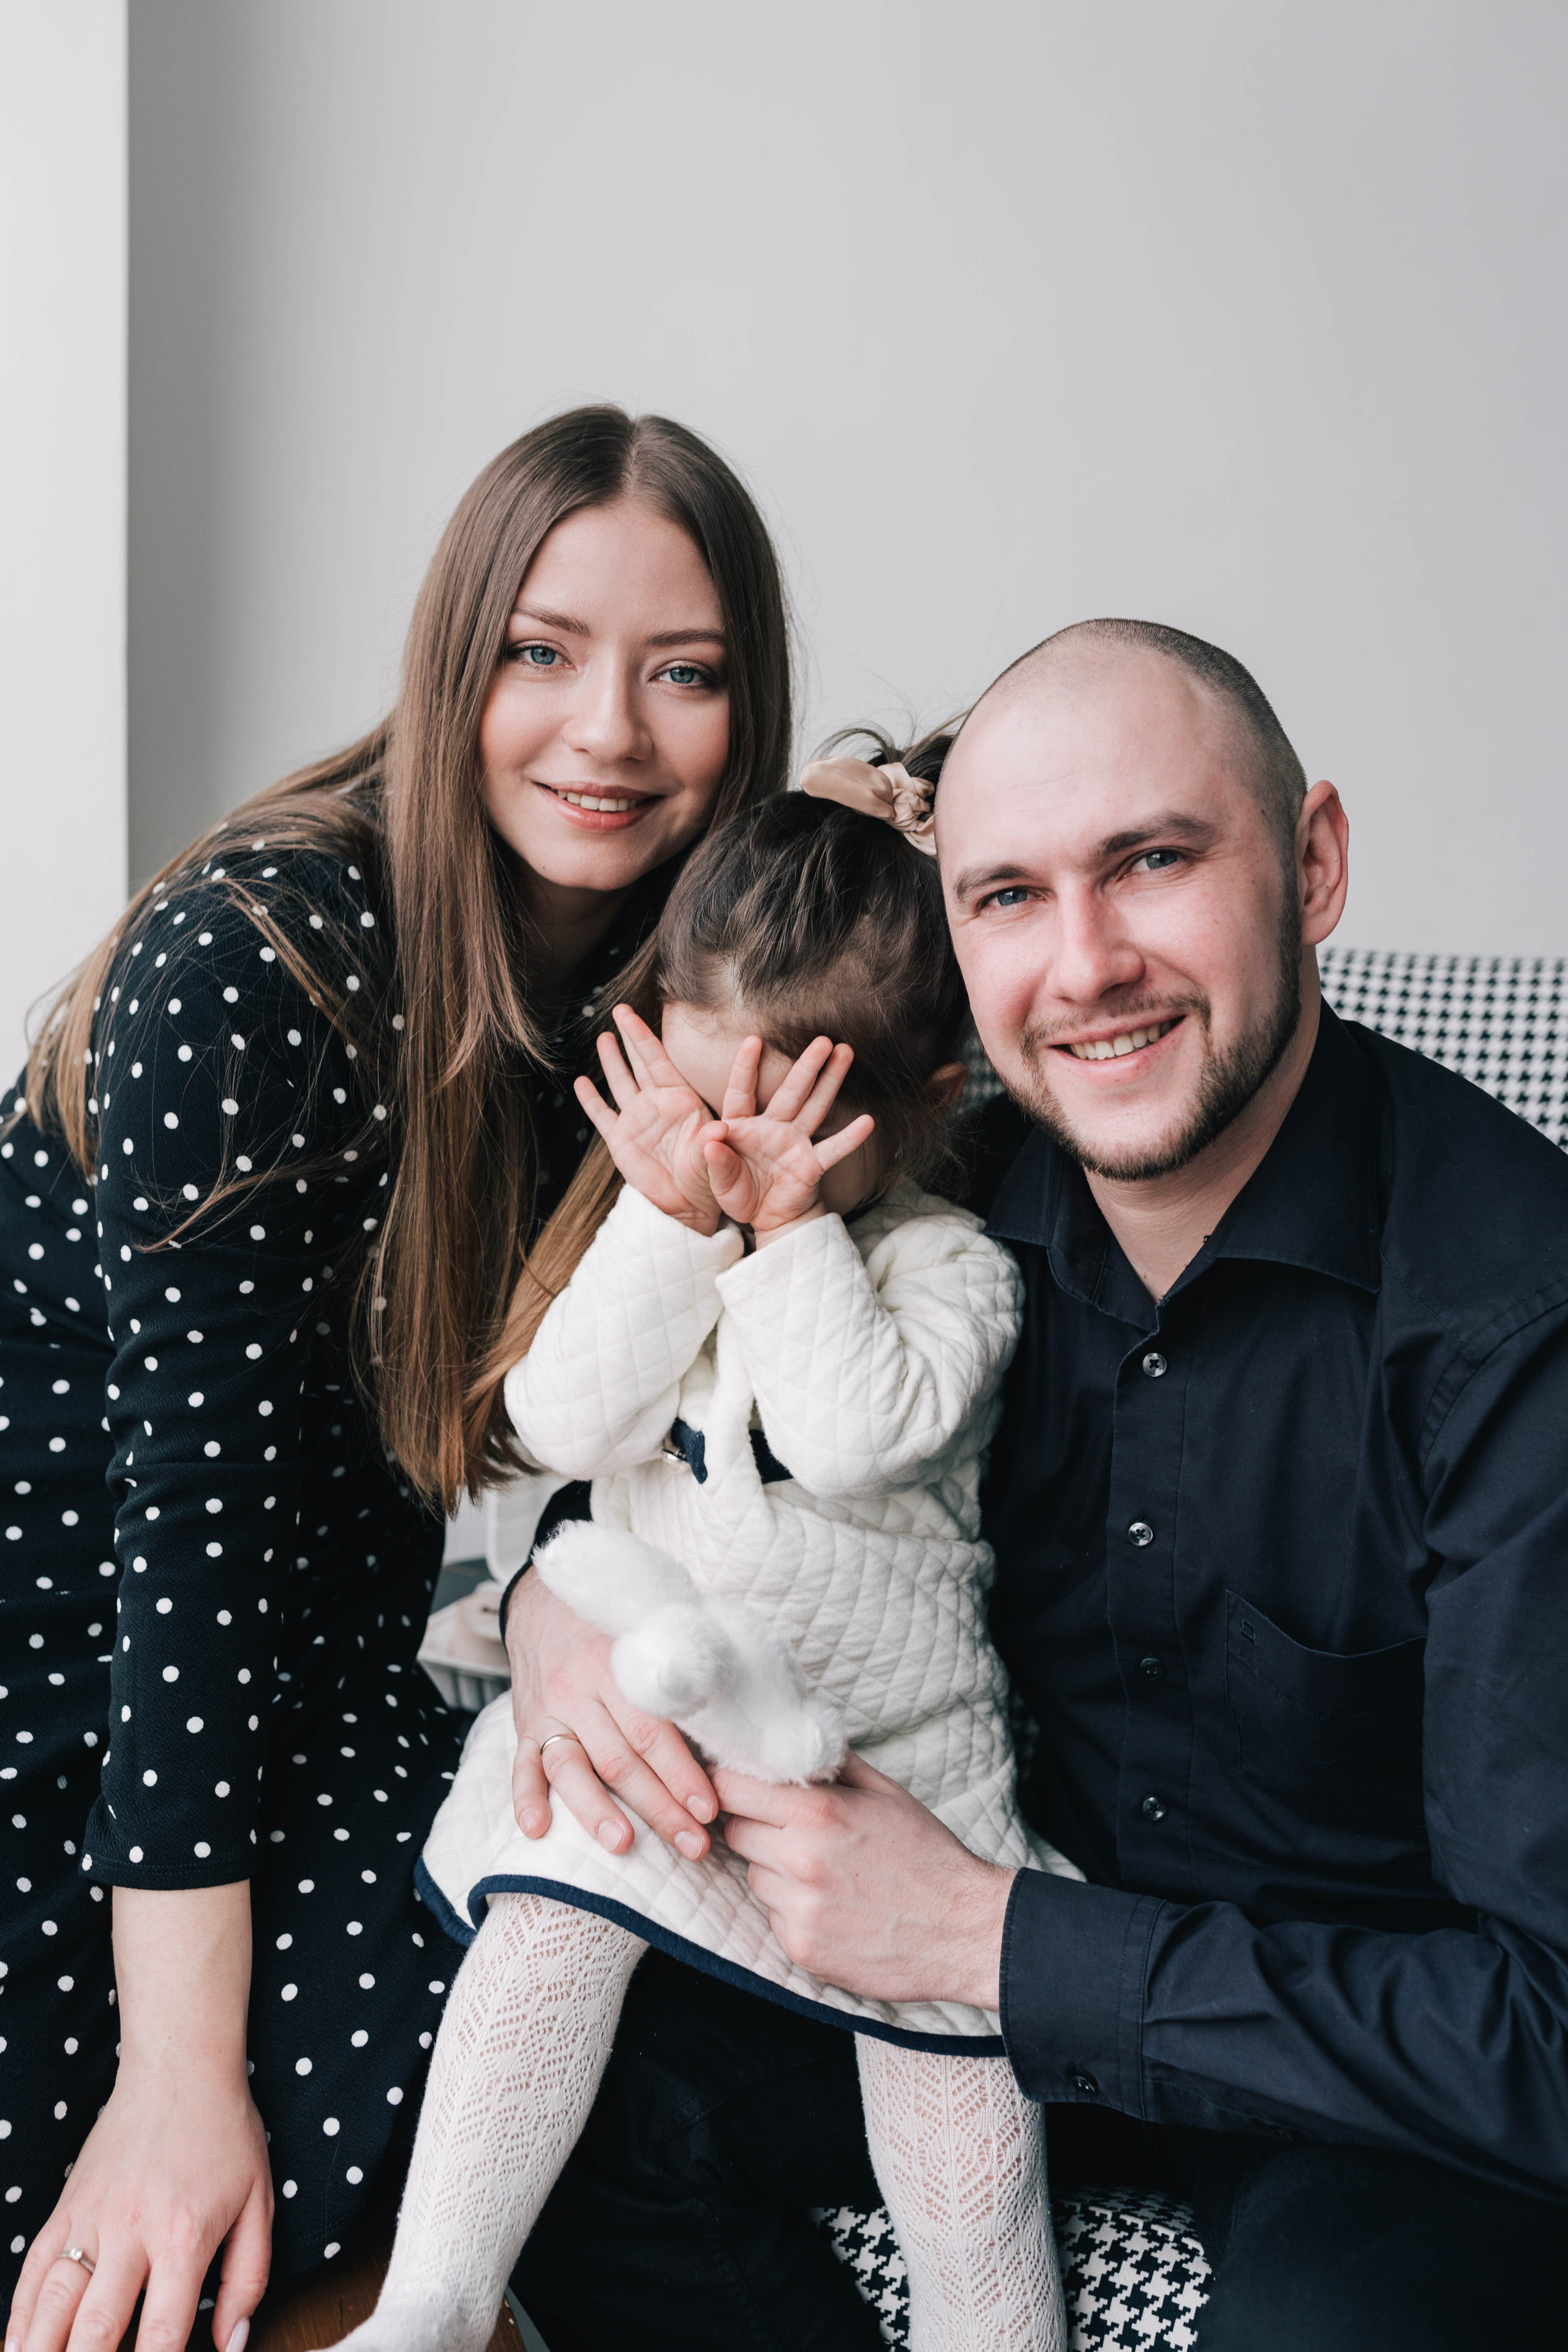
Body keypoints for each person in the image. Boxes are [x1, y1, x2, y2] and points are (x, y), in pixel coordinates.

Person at [506, 620, 1568, 2351]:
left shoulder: (1513, 1321)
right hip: (987, 1948)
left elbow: (1548, 2029)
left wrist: (999, 1943)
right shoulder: (939, 1191)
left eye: (1152, 862)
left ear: (1312, 866)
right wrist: (562, 1598)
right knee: (581, 2112)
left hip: (1367, 2072)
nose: (1085, 966)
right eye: (1007, 895)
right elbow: (708, 1437)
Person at [0, 405, 792, 2352]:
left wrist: (532, 1600)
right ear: (457, 667)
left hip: (317, 1690)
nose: (606, 730)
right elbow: (177, 1567)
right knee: (199, 2204)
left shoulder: (640, 1010)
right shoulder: (258, 959)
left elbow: (594, 1441)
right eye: (541, 653)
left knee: (487, 2073)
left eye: (682, 673)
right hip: (77, 1702)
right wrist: (174, 2078)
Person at [337, 775, 1073, 2352]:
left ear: (927, 1097)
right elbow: (555, 1415)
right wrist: (667, 1223)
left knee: (954, 2113)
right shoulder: (669, 1233)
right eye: (691, 1107)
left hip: (889, 1769)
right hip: (664, 1732)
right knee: (547, 1921)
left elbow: (858, 1427)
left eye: (782, 1131)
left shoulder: (952, 1268)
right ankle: (431, 2305)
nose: (729, 1162)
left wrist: (795, 1234)